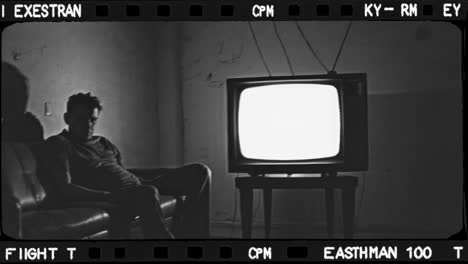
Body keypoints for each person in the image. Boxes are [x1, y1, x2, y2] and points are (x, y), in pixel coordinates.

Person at [42, 92, 211, 239]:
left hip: (138, 184)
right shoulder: (59, 144)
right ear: (67, 118)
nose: (88, 126)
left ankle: (195, 236)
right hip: (115, 194)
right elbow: (65, 188)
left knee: (200, 172)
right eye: (81, 119)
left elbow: (122, 170)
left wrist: (147, 178)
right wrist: (108, 195)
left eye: (92, 120)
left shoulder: (103, 142)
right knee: (147, 192)